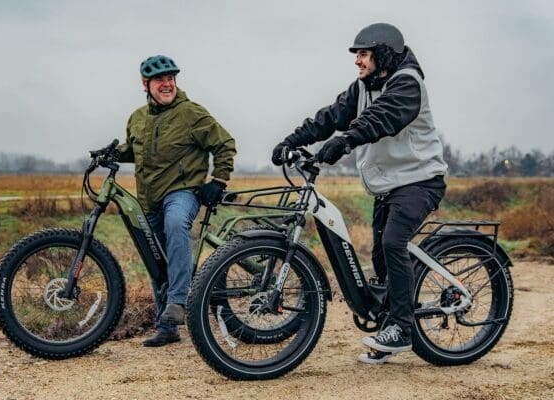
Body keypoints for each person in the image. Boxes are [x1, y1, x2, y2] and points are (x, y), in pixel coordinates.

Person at [271, 23, 447, 363]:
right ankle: (387, 329)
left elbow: (381, 119)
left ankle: (401, 329)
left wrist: (345, 141)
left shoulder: (408, 84)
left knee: (393, 242)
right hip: (390, 185)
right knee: (382, 260)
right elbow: (331, 116)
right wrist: (292, 140)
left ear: (382, 54)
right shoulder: (363, 86)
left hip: (419, 180)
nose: (357, 61)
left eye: (363, 54)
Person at [117, 55, 236, 347]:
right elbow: (135, 150)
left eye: (171, 78)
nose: (167, 84)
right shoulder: (137, 117)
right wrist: (112, 154)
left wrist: (218, 181)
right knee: (156, 257)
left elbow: (224, 144)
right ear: (146, 84)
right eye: (160, 80)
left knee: (175, 224)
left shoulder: (191, 113)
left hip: (183, 191)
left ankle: (178, 303)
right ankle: (167, 328)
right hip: (149, 197)